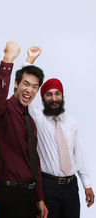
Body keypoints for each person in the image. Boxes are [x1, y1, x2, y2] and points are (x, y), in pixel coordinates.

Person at [25, 49, 95, 218]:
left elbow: (79, 154)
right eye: (49, 95)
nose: (54, 99)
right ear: (42, 98)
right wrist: (29, 61)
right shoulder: (37, 116)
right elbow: (26, 88)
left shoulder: (70, 121)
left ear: (62, 96)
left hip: (71, 186)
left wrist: (87, 184)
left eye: (57, 94)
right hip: (48, 186)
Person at [0, 41, 48, 218]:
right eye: (25, 84)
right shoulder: (2, 110)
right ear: (15, 84)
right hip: (8, 195)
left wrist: (39, 197)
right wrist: (8, 60)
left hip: (30, 195)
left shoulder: (30, 118)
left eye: (35, 87)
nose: (30, 90)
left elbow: (33, 159)